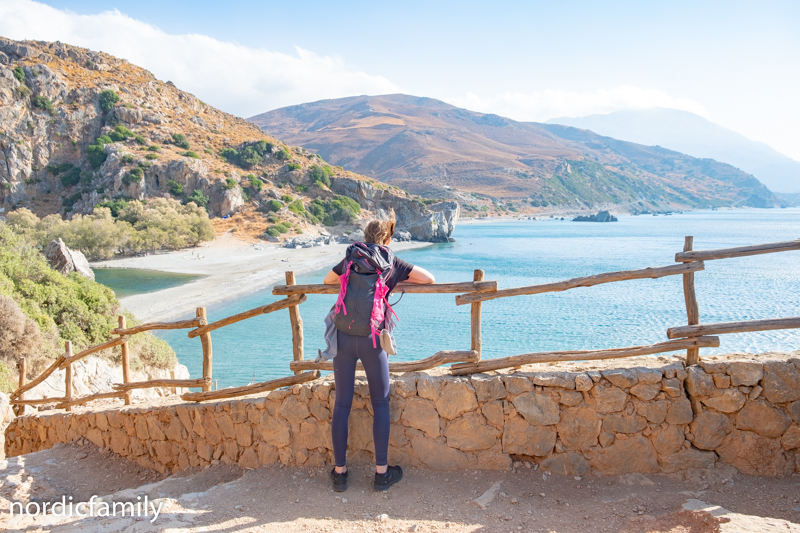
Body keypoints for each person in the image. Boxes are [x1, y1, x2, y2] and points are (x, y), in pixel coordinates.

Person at [323, 218, 435, 492]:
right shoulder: (391, 262)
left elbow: (328, 279)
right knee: (381, 404)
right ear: (388, 239)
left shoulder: (351, 257)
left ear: (365, 236)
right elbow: (429, 278)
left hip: (345, 337)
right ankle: (381, 474)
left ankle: (340, 473)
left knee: (342, 404)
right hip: (373, 340)